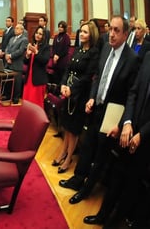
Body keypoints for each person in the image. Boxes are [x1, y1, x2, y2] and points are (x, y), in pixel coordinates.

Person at [58, 15, 139, 205]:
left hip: (113, 114)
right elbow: (97, 78)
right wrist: (92, 97)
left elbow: (131, 94)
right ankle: (78, 179)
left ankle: (86, 190)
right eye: (110, 29)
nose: (111, 34)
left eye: (116, 30)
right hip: (97, 108)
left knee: (101, 154)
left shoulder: (132, 59)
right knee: (87, 147)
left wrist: (121, 123)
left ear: (126, 34)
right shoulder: (105, 51)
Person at [83, 51, 150, 227]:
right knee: (116, 177)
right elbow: (133, 92)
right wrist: (126, 122)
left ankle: (113, 223)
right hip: (128, 131)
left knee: (131, 185)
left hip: (145, 140)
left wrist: (142, 134)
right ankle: (102, 217)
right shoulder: (148, 56)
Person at [52, 21, 100, 174]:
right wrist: (63, 85)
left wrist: (72, 89)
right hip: (69, 92)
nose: (82, 34)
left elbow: (87, 77)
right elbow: (67, 69)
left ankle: (68, 158)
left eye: (85, 32)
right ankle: (63, 152)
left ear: (91, 35)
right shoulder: (78, 49)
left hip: (80, 95)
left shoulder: (94, 53)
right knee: (66, 125)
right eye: (81, 31)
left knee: (74, 129)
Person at [22, 26, 50, 108]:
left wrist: (36, 52)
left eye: (40, 34)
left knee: (36, 103)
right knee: (27, 101)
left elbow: (45, 61)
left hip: (38, 79)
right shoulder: (32, 44)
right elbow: (25, 62)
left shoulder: (46, 47)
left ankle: (37, 120)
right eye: (37, 33)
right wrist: (27, 55)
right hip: (29, 78)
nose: (37, 35)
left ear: (44, 36)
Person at [2, 24, 28, 104]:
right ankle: (7, 96)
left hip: (17, 63)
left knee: (17, 82)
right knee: (8, 80)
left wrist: (10, 56)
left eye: (17, 28)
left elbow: (20, 51)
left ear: (21, 30)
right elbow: (7, 48)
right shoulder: (11, 38)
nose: (15, 30)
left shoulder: (24, 39)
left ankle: (16, 98)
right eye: (15, 28)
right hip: (9, 63)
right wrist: (7, 55)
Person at [50, 20, 70, 85]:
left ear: (64, 28)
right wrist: (54, 56)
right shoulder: (56, 37)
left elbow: (66, 49)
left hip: (63, 60)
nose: (60, 28)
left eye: (61, 27)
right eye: (59, 27)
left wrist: (58, 56)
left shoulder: (67, 37)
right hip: (55, 60)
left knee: (61, 77)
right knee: (55, 76)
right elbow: (53, 47)